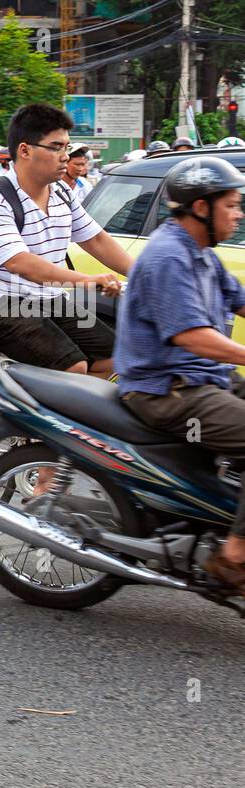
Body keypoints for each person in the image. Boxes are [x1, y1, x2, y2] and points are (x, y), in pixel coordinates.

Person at [115, 156, 245, 590]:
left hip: (203, 380)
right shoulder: (169, 256)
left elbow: (239, 300)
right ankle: (234, 554)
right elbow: (193, 337)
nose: (240, 213)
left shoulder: (202, 254)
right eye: (232, 204)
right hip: (167, 392)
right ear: (202, 208)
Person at [0, 104, 133, 382]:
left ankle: (70, 416)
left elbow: (96, 239)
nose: (65, 156)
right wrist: (88, 281)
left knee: (115, 357)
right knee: (73, 367)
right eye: (56, 147)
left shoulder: (62, 192)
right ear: (25, 150)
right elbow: (20, 262)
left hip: (47, 298)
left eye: (66, 147)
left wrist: (144, 275)